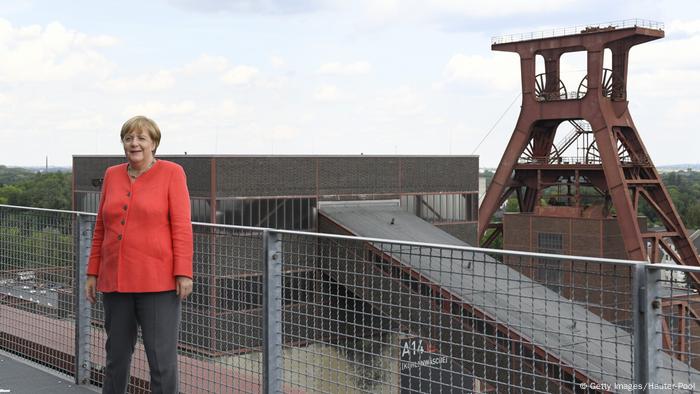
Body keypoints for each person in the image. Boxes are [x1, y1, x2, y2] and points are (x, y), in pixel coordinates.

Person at [85, 115, 193, 394]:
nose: (134, 143)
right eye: (128, 138)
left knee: (161, 361)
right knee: (116, 357)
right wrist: (92, 272)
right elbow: (101, 226)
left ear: (154, 143)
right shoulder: (112, 174)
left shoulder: (172, 173)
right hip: (116, 280)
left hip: (157, 283)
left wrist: (183, 272)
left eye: (141, 138)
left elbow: (181, 226)